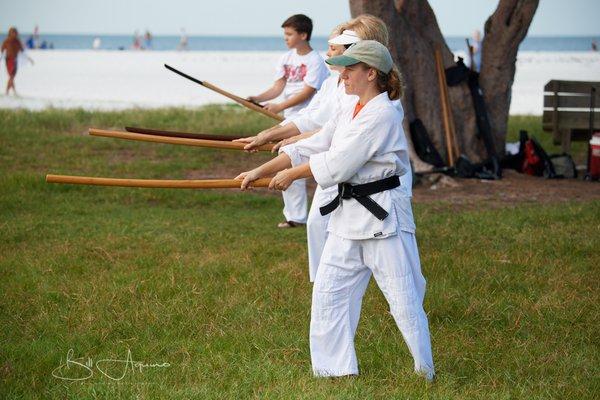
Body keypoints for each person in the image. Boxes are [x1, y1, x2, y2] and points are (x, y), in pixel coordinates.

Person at [236, 40, 435, 380]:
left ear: (371, 73)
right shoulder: (351, 106)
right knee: (329, 294)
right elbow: (317, 142)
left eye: (350, 68)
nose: (342, 74)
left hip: (380, 220)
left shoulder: (382, 114)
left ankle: (424, 371)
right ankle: (333, 371)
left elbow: (339, 163)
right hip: (345, 219)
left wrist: (290, 175)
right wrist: (262, 170)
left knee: (401, 297)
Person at [235, 14, 394, 282]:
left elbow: (335, 152)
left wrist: (289, 171)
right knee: (322, 231)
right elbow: (319, 127)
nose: (332, 57)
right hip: (342, 181)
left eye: (340, 50)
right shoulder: (342, 88)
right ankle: (323, 283)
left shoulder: (379, 106)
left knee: (395, 273)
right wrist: (269, 138)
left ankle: (332, 283)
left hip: (375, 195)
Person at [247, 14, 330, 229]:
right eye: (285, 34)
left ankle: (304, 216)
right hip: (289, 119)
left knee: (297, 162)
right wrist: (258, 98)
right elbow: (278, 88)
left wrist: (279, 107)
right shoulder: (286, 58)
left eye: (289, 34)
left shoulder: (316, 61)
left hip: (309, 120)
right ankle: (296, 217)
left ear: (303, 35)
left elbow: (307, 92)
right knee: (290, 160)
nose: (286, 38)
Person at [1, 27, 33, 96]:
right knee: (11, 76)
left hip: (15, 60)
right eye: (13, 32)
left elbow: (22, 51)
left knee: (12, 76)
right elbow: (2, 51)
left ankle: (11, 92)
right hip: (8, 60)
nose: (14, 34)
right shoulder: (6, 41)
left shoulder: (17, 41)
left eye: (15, 33)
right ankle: (9, 92)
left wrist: (29, 59)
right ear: (10, 33)